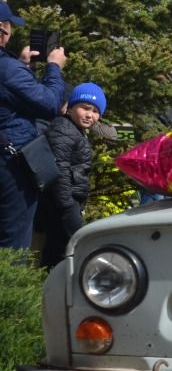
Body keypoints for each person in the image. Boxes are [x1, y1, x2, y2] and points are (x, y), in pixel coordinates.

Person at [0, 0, 68, 250]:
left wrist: (22, 66)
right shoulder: (8, 70)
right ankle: (11, 289)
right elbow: (50, 104)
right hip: (10, 166)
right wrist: (54, 67)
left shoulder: (11, 69)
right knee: (12, 241)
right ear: (2, 31)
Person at [35, 83, 104, 268]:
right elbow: (60, 168)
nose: (90, 115)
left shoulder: (76, 131)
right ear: (71, 107)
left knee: (57, 251)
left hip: (68, 201)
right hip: (62, 203)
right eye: (85, 108)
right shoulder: (64, 128)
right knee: (75, 246)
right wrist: (67, 205)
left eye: (96, 111)